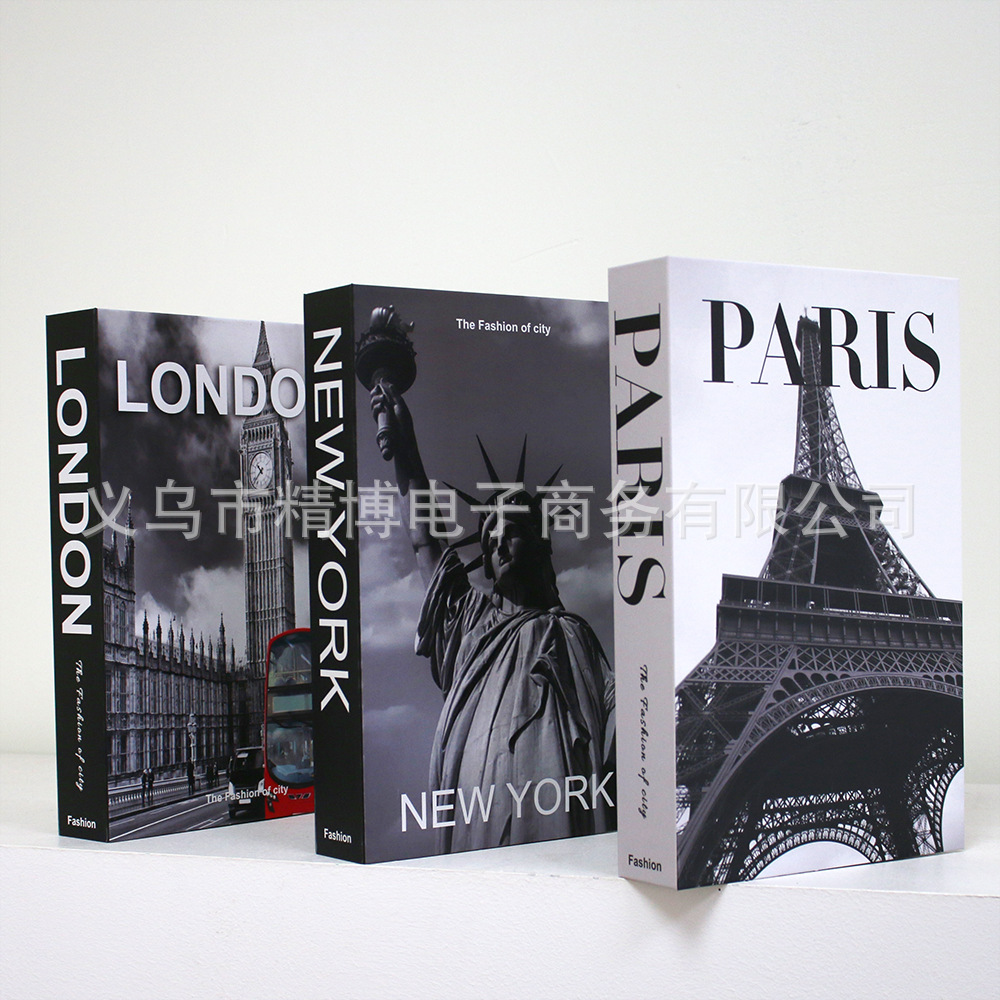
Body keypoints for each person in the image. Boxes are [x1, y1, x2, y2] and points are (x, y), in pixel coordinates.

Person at [370, 376, 615, 854]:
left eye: (513, 530)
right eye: (490, 538)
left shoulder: (573, 634)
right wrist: (407, 450)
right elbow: (426, 542)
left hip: (558, 807)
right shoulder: (471, 624)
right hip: (477, 804)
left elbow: (616, 716)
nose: (499, 542)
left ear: (542, 545)